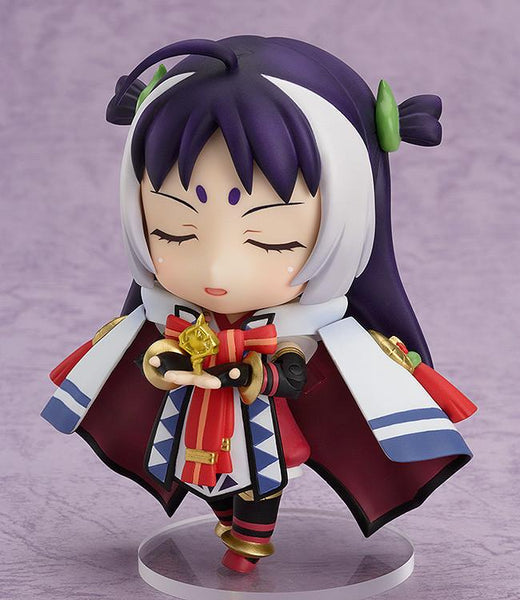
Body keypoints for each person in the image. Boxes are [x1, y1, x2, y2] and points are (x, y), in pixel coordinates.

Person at [42, 36, 476, 574]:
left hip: (261, 425)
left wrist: (248, 375)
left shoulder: (314, 329)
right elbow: (154, 360)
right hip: (196, 422)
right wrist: (164, 364)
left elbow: (293, 371)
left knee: (262, 477)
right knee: (196, 468)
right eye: (175, 233)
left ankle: (248, 540)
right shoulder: (168, 316)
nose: (217, 273)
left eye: (271, 242)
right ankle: (226, 519)